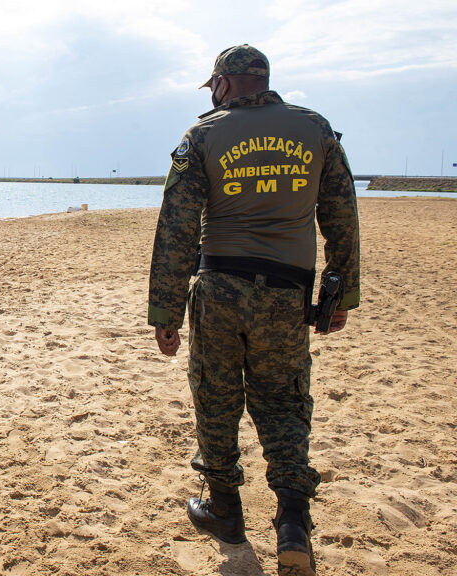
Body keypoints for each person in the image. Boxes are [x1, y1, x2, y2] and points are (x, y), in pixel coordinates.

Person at [147, 45, 360, 575]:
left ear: (222, 83)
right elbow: (342, 217)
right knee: (284, 402)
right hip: (288, 293)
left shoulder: (202, 135)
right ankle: (292, 521)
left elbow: (175, 229)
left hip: (219, 285)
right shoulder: (315, 130)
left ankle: (225, 508)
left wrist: (165, 312)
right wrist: (342, 297)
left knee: (216, 396)